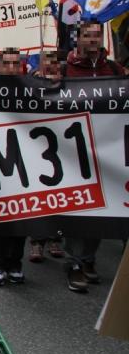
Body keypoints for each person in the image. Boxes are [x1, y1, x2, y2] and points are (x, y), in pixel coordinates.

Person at [61, 22, 123, 292]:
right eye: (88, 35)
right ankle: (74, 263)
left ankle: (88, 259)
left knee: (101, 208)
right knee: (78, 207)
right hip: (74, 153)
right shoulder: (67, 69)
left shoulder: (114, 70)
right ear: (79, 39)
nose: (93, 39)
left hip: (107, 153)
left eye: (97, 35)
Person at [0, 47, 27, 286]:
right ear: (0, 66)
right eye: (8, 63)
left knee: (24, 215)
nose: (12, 68)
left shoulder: (30, 88)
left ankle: (15, 263)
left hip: (26, 163)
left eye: (16, 63)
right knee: (2, 215)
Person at [27, 51, 65, 263]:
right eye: (48, 63)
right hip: (37, 151)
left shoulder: (67, 85)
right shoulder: (32, 83)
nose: (52, 67)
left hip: (64, 152)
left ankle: (56, 239)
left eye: (55, 63)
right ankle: (37, 242)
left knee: (61, 199)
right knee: (39, 199)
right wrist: (36, 78)